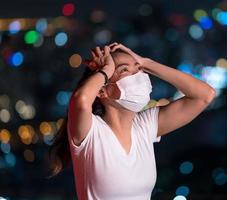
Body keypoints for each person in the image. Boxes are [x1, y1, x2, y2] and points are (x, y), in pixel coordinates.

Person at [49, 42, 216, 200]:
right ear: (102, 91)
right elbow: (81, 99)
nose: (137, 75)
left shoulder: (145, 126)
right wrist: (106, 69)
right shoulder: (91, 131)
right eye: (124, 70)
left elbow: (204, 96)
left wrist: (145, 62)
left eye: (138, 70)